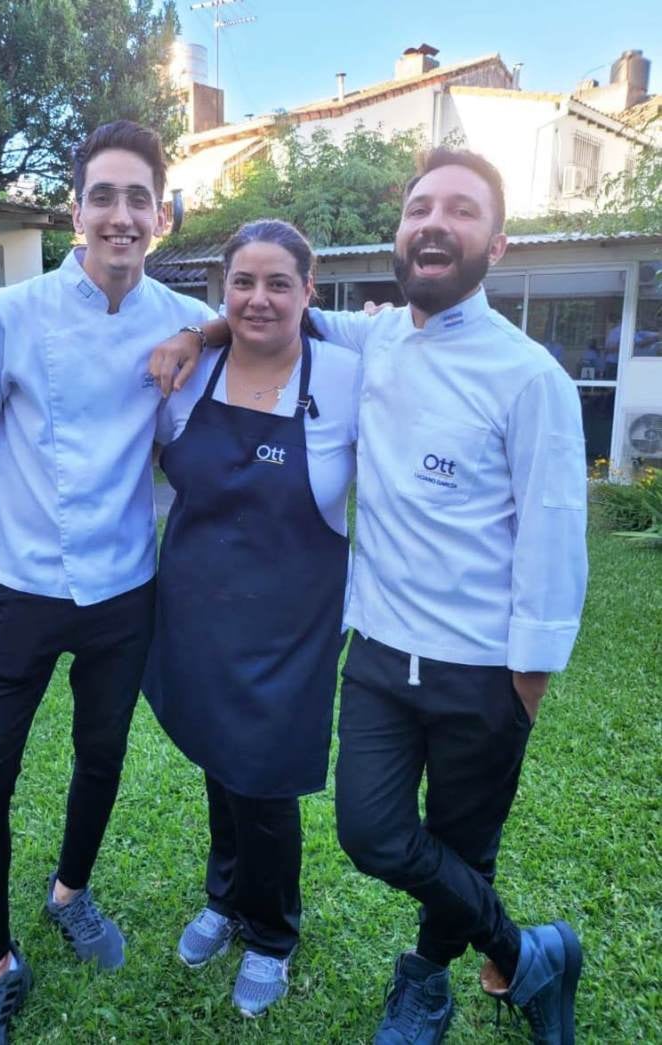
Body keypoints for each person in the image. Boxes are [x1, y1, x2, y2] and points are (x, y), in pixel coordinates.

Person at [150, 149, 588, 1044]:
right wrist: (197, 334)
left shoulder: (529, 376)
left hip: (482, 665)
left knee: (464, 845)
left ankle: (426, 984)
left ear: (496, 244)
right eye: (420, 207)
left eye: (460, 210)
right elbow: (262, 312)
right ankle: (534, 951)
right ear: (398, 235)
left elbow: (553, 538)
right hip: (382, 652)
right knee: (373, 834)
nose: (434, 222)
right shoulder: (373, 339)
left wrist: (528, 682)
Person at [0, 119, 215, 1045]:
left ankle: (70, 892)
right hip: (18, 589)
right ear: (75, 209)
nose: (121, 215)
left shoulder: (176, 325)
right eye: (104, 194)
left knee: (101, 758)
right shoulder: (9, 315)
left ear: (162, 217)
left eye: (139, 197)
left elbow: (245, 343)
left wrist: (211, 327)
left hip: (123, 592)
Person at [145, 219, 360, 1018]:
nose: (258, 299)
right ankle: (225, 896)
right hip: (199, 612)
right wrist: (195, 331)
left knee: (264, 779)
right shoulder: (190, 374)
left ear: (310, 293)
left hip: (290, 621)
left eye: (279, 283)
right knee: (219, 759)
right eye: (242, 283)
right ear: (220, 291)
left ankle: (272, 932)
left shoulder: (344, 373)